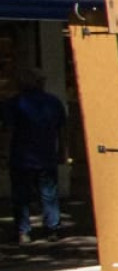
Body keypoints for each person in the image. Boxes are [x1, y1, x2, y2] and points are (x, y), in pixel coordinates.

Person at [4, 68, 67, 244]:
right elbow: (62, 130)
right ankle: (53, 228)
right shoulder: (53, 102)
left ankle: (23, 231)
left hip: (21, 156)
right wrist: (63, 150)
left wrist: (5, 153)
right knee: (49, 194)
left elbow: (9, 130)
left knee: (21, 196)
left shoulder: (15, 103)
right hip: (46, 154)